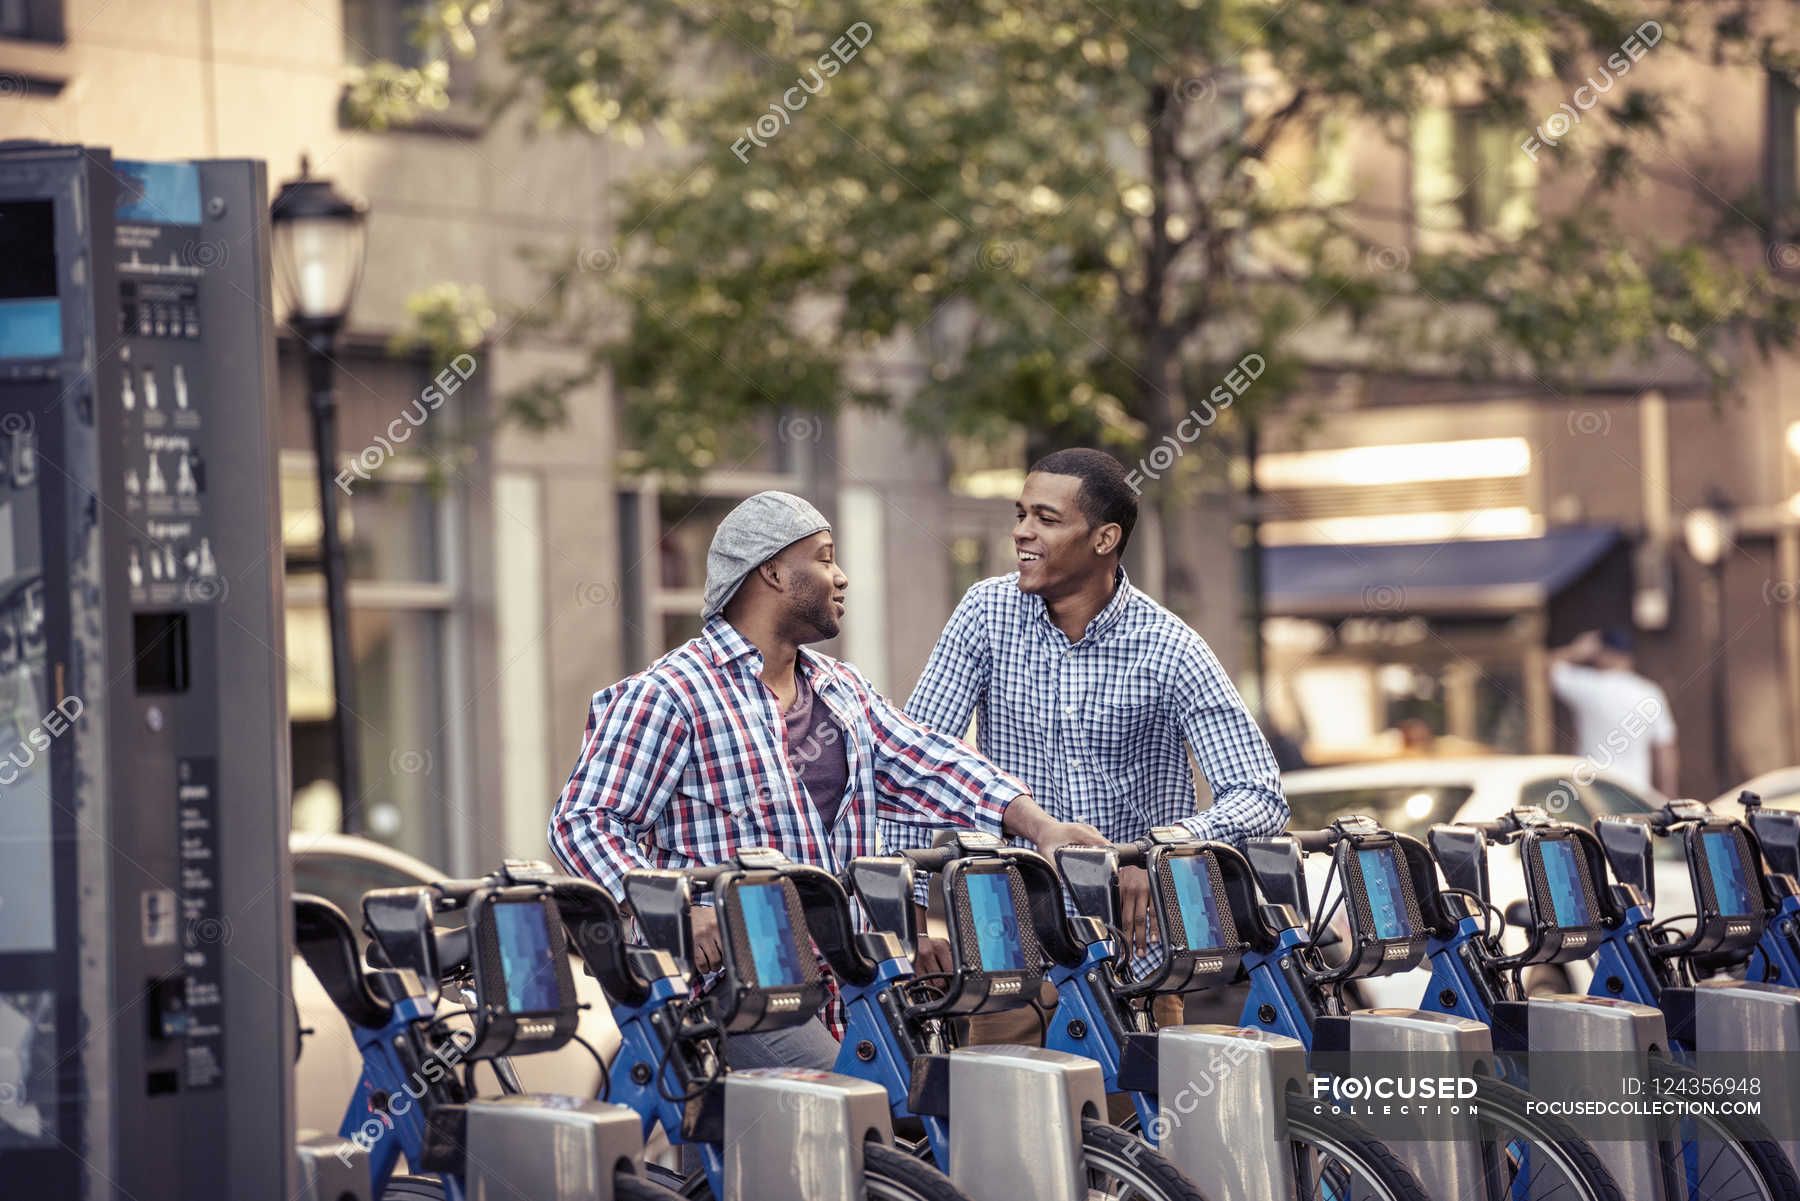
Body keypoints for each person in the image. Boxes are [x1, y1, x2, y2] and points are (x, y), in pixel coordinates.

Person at [548, 490, 1106, 1070]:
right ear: (771, 571)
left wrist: (1042, 828)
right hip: (732, 988)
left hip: (849, 983)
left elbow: (933, 764)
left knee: (924, 1116)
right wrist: (675, 910)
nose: (841, 577)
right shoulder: (672, 694)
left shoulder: (842, 690)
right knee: (845, 1113)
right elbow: (582, 822)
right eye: (824, 557)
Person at [891, 448, 1289, 1026]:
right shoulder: (985, 612)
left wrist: (1158, 850)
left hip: (1135, 966)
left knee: (1142, 1119)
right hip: (1008, 958)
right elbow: (917, 763)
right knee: (1001, 1113)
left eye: (1046, 520)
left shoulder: (1169, 647)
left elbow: (1260, 795)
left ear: (1104, 539)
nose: (1021, 533)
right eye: (1021, 514)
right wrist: (906, 915)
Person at [1548, 627, 1678, 796]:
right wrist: (1668, 796)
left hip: (1594, 792)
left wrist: (1576, 650)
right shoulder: (1650, 693)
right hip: (1636, 792)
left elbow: (1544, 666)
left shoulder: (1588, 686)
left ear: (1602, 653)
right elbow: (1665, 750)